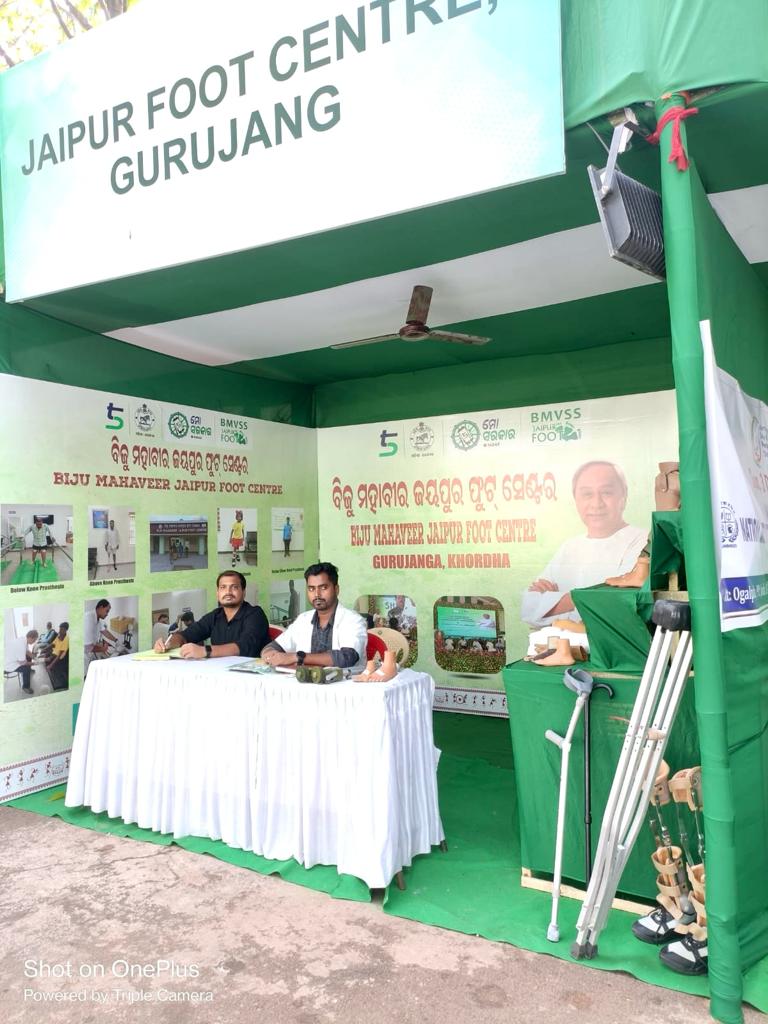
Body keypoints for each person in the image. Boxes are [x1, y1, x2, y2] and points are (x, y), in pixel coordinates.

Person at [521, 460, 649, 627]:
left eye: (607, 493)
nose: (596, 503)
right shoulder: (569, 547)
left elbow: (619, 602)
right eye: (587, 494)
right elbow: (529, 609)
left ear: (623, 496)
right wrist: (587, 600)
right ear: (576, 499)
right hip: (563, 650)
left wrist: (557, 600)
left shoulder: (643, 541)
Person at [261, 562, 367, 672]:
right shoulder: (303, 619)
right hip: (306, 684)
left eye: (323, 587)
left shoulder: (353, 620)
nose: (317, 594)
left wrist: (298, 657)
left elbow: (347, 657)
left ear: (336, 589)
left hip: (343, 685)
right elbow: (275, 646)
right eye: (311, 588)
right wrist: (269, 654)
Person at [154, 570, 268, 659]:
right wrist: (168, 644)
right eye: (223, 588)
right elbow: (186, 635)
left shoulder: (255, 614)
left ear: (243, 592)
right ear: (218, 593)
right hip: (220, 672)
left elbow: (244, 646)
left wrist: (205, 651)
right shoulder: (215, 615)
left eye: (234, 587)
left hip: (251, 676)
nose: (228, 592)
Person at [84, 599, 117, 673]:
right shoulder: (88, 618)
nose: (107, 614)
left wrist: (116, 640)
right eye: (107, 611)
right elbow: (88, 647)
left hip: (90, 652)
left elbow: (104, 631)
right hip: (84, 655)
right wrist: (103, 649)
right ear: (101, 607)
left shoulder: (99, 619)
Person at [45, 622, 69, 690]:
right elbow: (52, 644)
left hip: (60, 658)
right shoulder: (59, 636)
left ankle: (59, 684)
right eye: (59, 629)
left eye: (61, 629)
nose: (59, 631)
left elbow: (59, 656)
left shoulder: (66, 640)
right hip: (54, 653)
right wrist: (44, 649)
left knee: (50, 666)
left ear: (65, 630)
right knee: (46, 658)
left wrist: (51, 665)